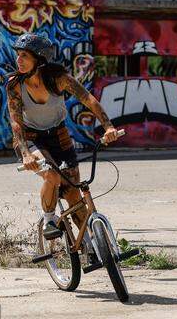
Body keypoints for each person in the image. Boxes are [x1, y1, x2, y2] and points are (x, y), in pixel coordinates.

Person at [6, 33, 120, 240]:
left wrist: (108, 127)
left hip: (58, 136)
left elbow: (89, 100)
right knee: (52, 174)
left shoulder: (59, 79)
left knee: (73, 193)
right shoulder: (15, 85)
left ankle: (90, 244)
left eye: (24, 55)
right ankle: (49, 220)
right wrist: (26, 154)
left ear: (39, 60)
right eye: (18, 55)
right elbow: (16, 121)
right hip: (29, 139)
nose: (18, 60)